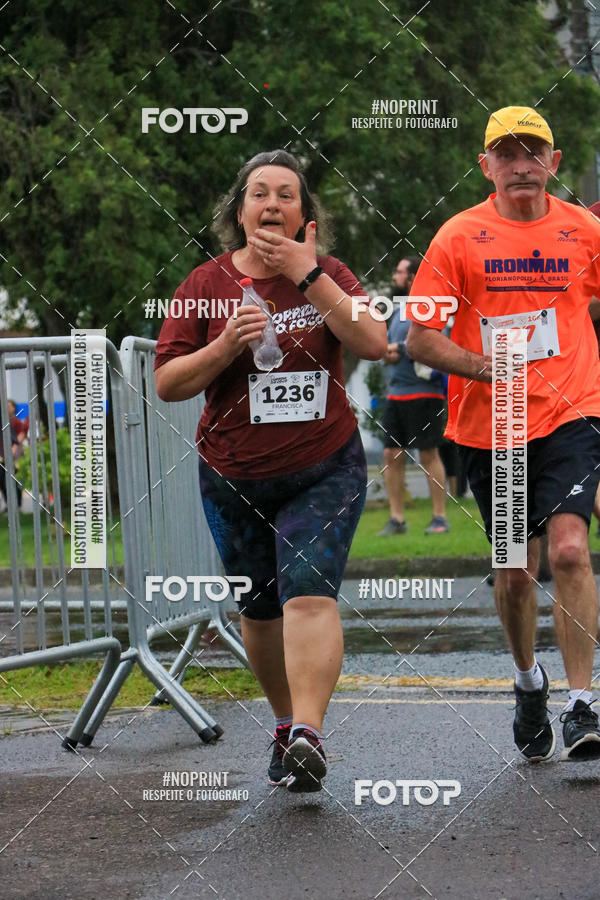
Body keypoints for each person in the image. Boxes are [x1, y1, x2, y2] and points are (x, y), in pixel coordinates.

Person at [154, 149, 386, 792]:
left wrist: (311, 277)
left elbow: (375, 342)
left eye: (288, 194)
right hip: (234, 475)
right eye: (260, 193)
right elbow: (168, 382)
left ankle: (310, 732)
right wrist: (224, 344)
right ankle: (285, 725)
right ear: (239, 210)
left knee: (308, 591)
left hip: (324, 466)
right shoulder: (204, 285)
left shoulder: (329, 273)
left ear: (306, 215)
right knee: (259, 609)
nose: (274, 204)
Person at [406, 106, 600, 762]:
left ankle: (581, 705)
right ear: (485, 164)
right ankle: (527, 681)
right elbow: (420, 339)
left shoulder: (583, 230)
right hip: (496, 425)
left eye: (534, 151)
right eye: (507, 153)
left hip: (574, 410)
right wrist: (489, 366)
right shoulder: (458, 238)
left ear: (555, 162)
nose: (522, 164)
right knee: (517, 572)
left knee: (570, 551)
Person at [378, 257, 450, 536]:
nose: (394, 276)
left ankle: (440, 518)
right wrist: (386, 352)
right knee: (391, 454)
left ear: (411, 277)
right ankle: (397, 520)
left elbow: (435, 340)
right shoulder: (397, 310)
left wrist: (396, 349)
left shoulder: (427, 305)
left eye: (399, 271)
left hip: (424, 394)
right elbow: (386, 347)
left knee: (428, 454)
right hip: (396, 395)